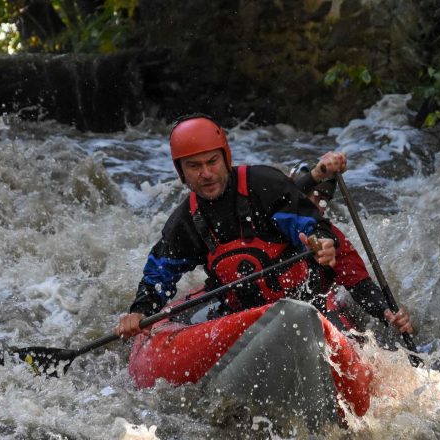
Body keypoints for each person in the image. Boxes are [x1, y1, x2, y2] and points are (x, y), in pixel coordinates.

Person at [115, 114, 339, 338]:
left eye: (212, 161)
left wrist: (321, 240)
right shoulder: (185, 221)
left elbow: (310, 223)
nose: (206, 174)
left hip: (305, 300)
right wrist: (139, 311)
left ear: (225, 158)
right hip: (238, 314)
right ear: (181, 172)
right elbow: (159, 274)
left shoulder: (264, 186)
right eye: (194, 166)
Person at [292, 153, 414, 336]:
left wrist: (386, 311)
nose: (317, 206)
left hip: (310, 307)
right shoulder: (264, 217)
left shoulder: (332, 239)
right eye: (312, 196)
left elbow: (360, 285)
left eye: (323, 200)